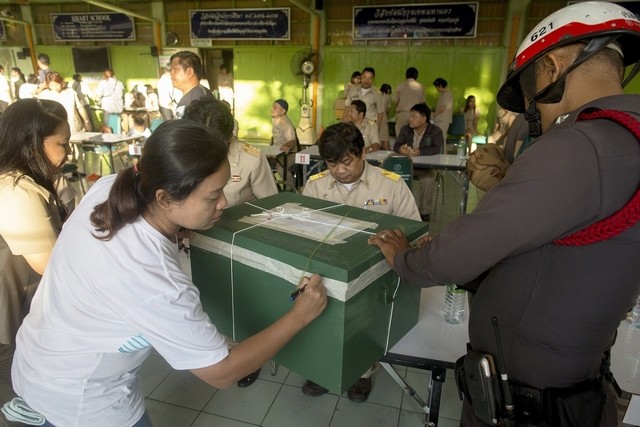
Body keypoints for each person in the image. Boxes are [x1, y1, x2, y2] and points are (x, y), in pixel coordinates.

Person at [369, 2, 640, 426]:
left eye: (531, 98)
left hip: (528, 402)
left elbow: (453, 256)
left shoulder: (577, 146)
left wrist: (405, 258)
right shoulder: (626, 139)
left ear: (552, 67)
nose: (535, 116)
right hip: (574, 387)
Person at [11, 119, 328, 427]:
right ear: (164, 198)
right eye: (211, 196)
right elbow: (222, 372)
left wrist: (174, 230)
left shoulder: (111, 186)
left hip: (39, 355)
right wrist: (300, 315)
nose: (224, 202)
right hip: (82, 400)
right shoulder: (156, 282)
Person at [301, 121, 419, 402]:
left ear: (363, 153)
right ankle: (323, 371)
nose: (340, 171)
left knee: (363, 327)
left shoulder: (390, 185)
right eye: (332, 164)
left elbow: (413, 231)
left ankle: (362, 373)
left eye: (347, 162)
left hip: (373, 274)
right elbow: (302, 231)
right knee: (322, 322)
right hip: (328, 271)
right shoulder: (315, 186)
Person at [0, 99, 71, 345]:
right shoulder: (16, 191)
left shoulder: (28, 181)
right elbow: (51, 265)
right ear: (33, 144)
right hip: (10, 327)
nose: (69, 152)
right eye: (63, 144)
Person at [183, 98, 278, 208]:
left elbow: (271, 205)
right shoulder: (180, 155)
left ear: (228, 137)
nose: (206, 151)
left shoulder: (250, 159)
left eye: (213, 145)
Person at [393, 103, 444, 222]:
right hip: (408, 165)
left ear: (423, 119)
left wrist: (420, 151)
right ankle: (399, 210)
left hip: (427, 168)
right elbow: (396, 145)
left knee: (428, 180)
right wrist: (401, 149)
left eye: (413, 116)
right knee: (394, 177)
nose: (410, 119)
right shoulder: (406, 129)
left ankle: (424, 213)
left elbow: (437, 149)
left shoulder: (436, 131)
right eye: (410, 116)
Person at [170, 51, 215, 119]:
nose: (171, 73)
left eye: (175, 69)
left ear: (189, 72)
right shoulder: (191, 95)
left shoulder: (200, 99)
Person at [271, 98, 297, 189]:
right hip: (278, 153)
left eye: (275, 107)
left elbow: (292, 142)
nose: (272, 109)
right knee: (263, 165)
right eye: (272, 107)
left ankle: (291, 188)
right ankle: (275, 188)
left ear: (283, 111)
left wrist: (284, 146)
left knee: (280, 168)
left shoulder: (286, 123)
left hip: (290, 154)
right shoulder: (276, 121)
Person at [392, 67, 425, 137]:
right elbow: (422, 102)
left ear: (406, 75)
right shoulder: (420, 87)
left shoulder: (400, 86)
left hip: (402, 113)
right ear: (416, 76)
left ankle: (402, 147)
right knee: (414, 136)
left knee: (400, 135)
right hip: (416, 114)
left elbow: (395, 101)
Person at [378, 83, 392, 150]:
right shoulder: (388, 97)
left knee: (378, 137)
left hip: (377, 119)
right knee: (385, 139)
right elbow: (388, 109)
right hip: (384, 118)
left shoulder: (377, 95)